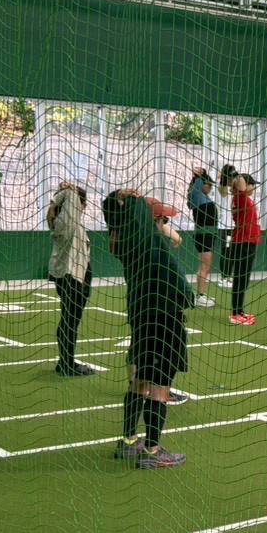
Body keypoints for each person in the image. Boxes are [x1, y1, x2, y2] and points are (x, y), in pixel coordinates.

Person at [103, 190, 193, 469]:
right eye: (162, 219)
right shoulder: (155, 245)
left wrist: (120, 198)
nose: (165, 223)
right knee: (160, 388)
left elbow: (111, 208)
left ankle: (129, 440)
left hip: (141, 317)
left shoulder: (125, 243)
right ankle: (153, 450)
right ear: (150, 219)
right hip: (164, 319)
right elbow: (182, 288)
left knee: (139, 381)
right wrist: (188, 298)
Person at [46, 177, 94, 377]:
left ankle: (65, 361)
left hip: (69, 277)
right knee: (70, 321)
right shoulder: (68, 223)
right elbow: (68, 199)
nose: (84, 207)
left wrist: (57, 199)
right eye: (82, 203)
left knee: (69, 319)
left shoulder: (61, 223)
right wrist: (68, 190)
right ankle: (67, 364)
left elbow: (54, 208)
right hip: (72, 278)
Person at [226, 173, 262, 325]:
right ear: (245, 185)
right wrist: (236, 175)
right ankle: (236, 313)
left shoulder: (242, 199)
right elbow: (240, 181)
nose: (254, 188)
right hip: (243, 243)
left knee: (243, 279)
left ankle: (239, 311)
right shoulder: (240, 198)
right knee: (240, 279)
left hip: (247, 242)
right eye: (252, 185)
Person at [187, 168, 219, 307]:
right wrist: (201, 175)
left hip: (207, 235)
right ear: (201, 184)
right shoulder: (197, 195)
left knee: (206, 266)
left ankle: (202, 294)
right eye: (209, 185)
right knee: (204, 266)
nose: (210, 188)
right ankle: (200, 297)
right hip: (204, 235)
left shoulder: (203, 197)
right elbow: (197, 181)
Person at [214, 164, 237, 289]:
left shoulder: (234, 187)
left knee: (232, 252)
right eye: (231, 174)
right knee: (226, 252)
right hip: (225, 226)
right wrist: (223, 176)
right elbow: (223, 191)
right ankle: (224, 277)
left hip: (234, 226)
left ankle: (229, 276)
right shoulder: (222, 187)